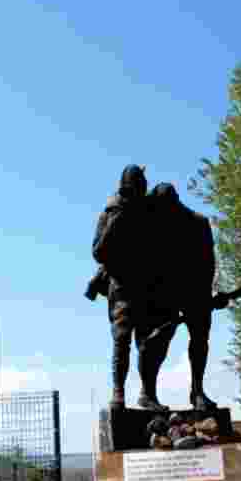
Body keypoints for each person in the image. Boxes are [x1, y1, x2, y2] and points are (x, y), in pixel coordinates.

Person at [92, 165, 168, 410]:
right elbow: (98, 252)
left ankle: (148, 394)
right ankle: (119, 393)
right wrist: (118, 218)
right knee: (121, 340)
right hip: (121, 287)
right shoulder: (111, 212)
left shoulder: (150, 213)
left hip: (148, 288)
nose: (140, 189)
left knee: (148, 344)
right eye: (136, 185)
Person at [144, 182, 218, 412]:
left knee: (199, 341)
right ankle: (149, 394)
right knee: (159, 341)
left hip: (195, 291)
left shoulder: (198, 222)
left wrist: (206, 295)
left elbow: (209, 261)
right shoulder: (155, 222)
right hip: (165, 291)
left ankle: (197, 390)